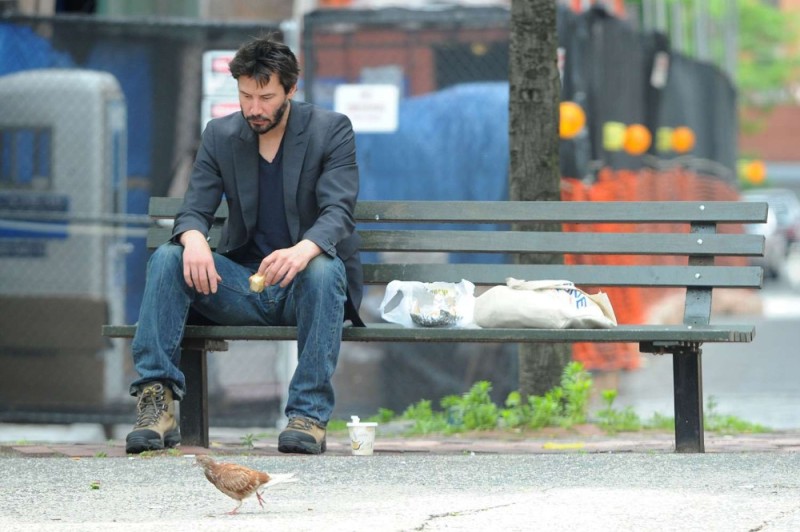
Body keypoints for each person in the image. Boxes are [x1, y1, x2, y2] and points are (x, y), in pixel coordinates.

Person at [125, 35, 364, 455]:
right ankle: (156, 403)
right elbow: (194, 208)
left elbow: (338, 213)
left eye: (266, 97)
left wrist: (303, 249)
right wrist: (194, 237)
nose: (254, 108)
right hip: (242, 287)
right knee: (168, 256)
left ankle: (308, 416)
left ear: (291, 89)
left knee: (324, 267)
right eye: (246, 95)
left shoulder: (331, 130)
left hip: (306, 290)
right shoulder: (221, 135)